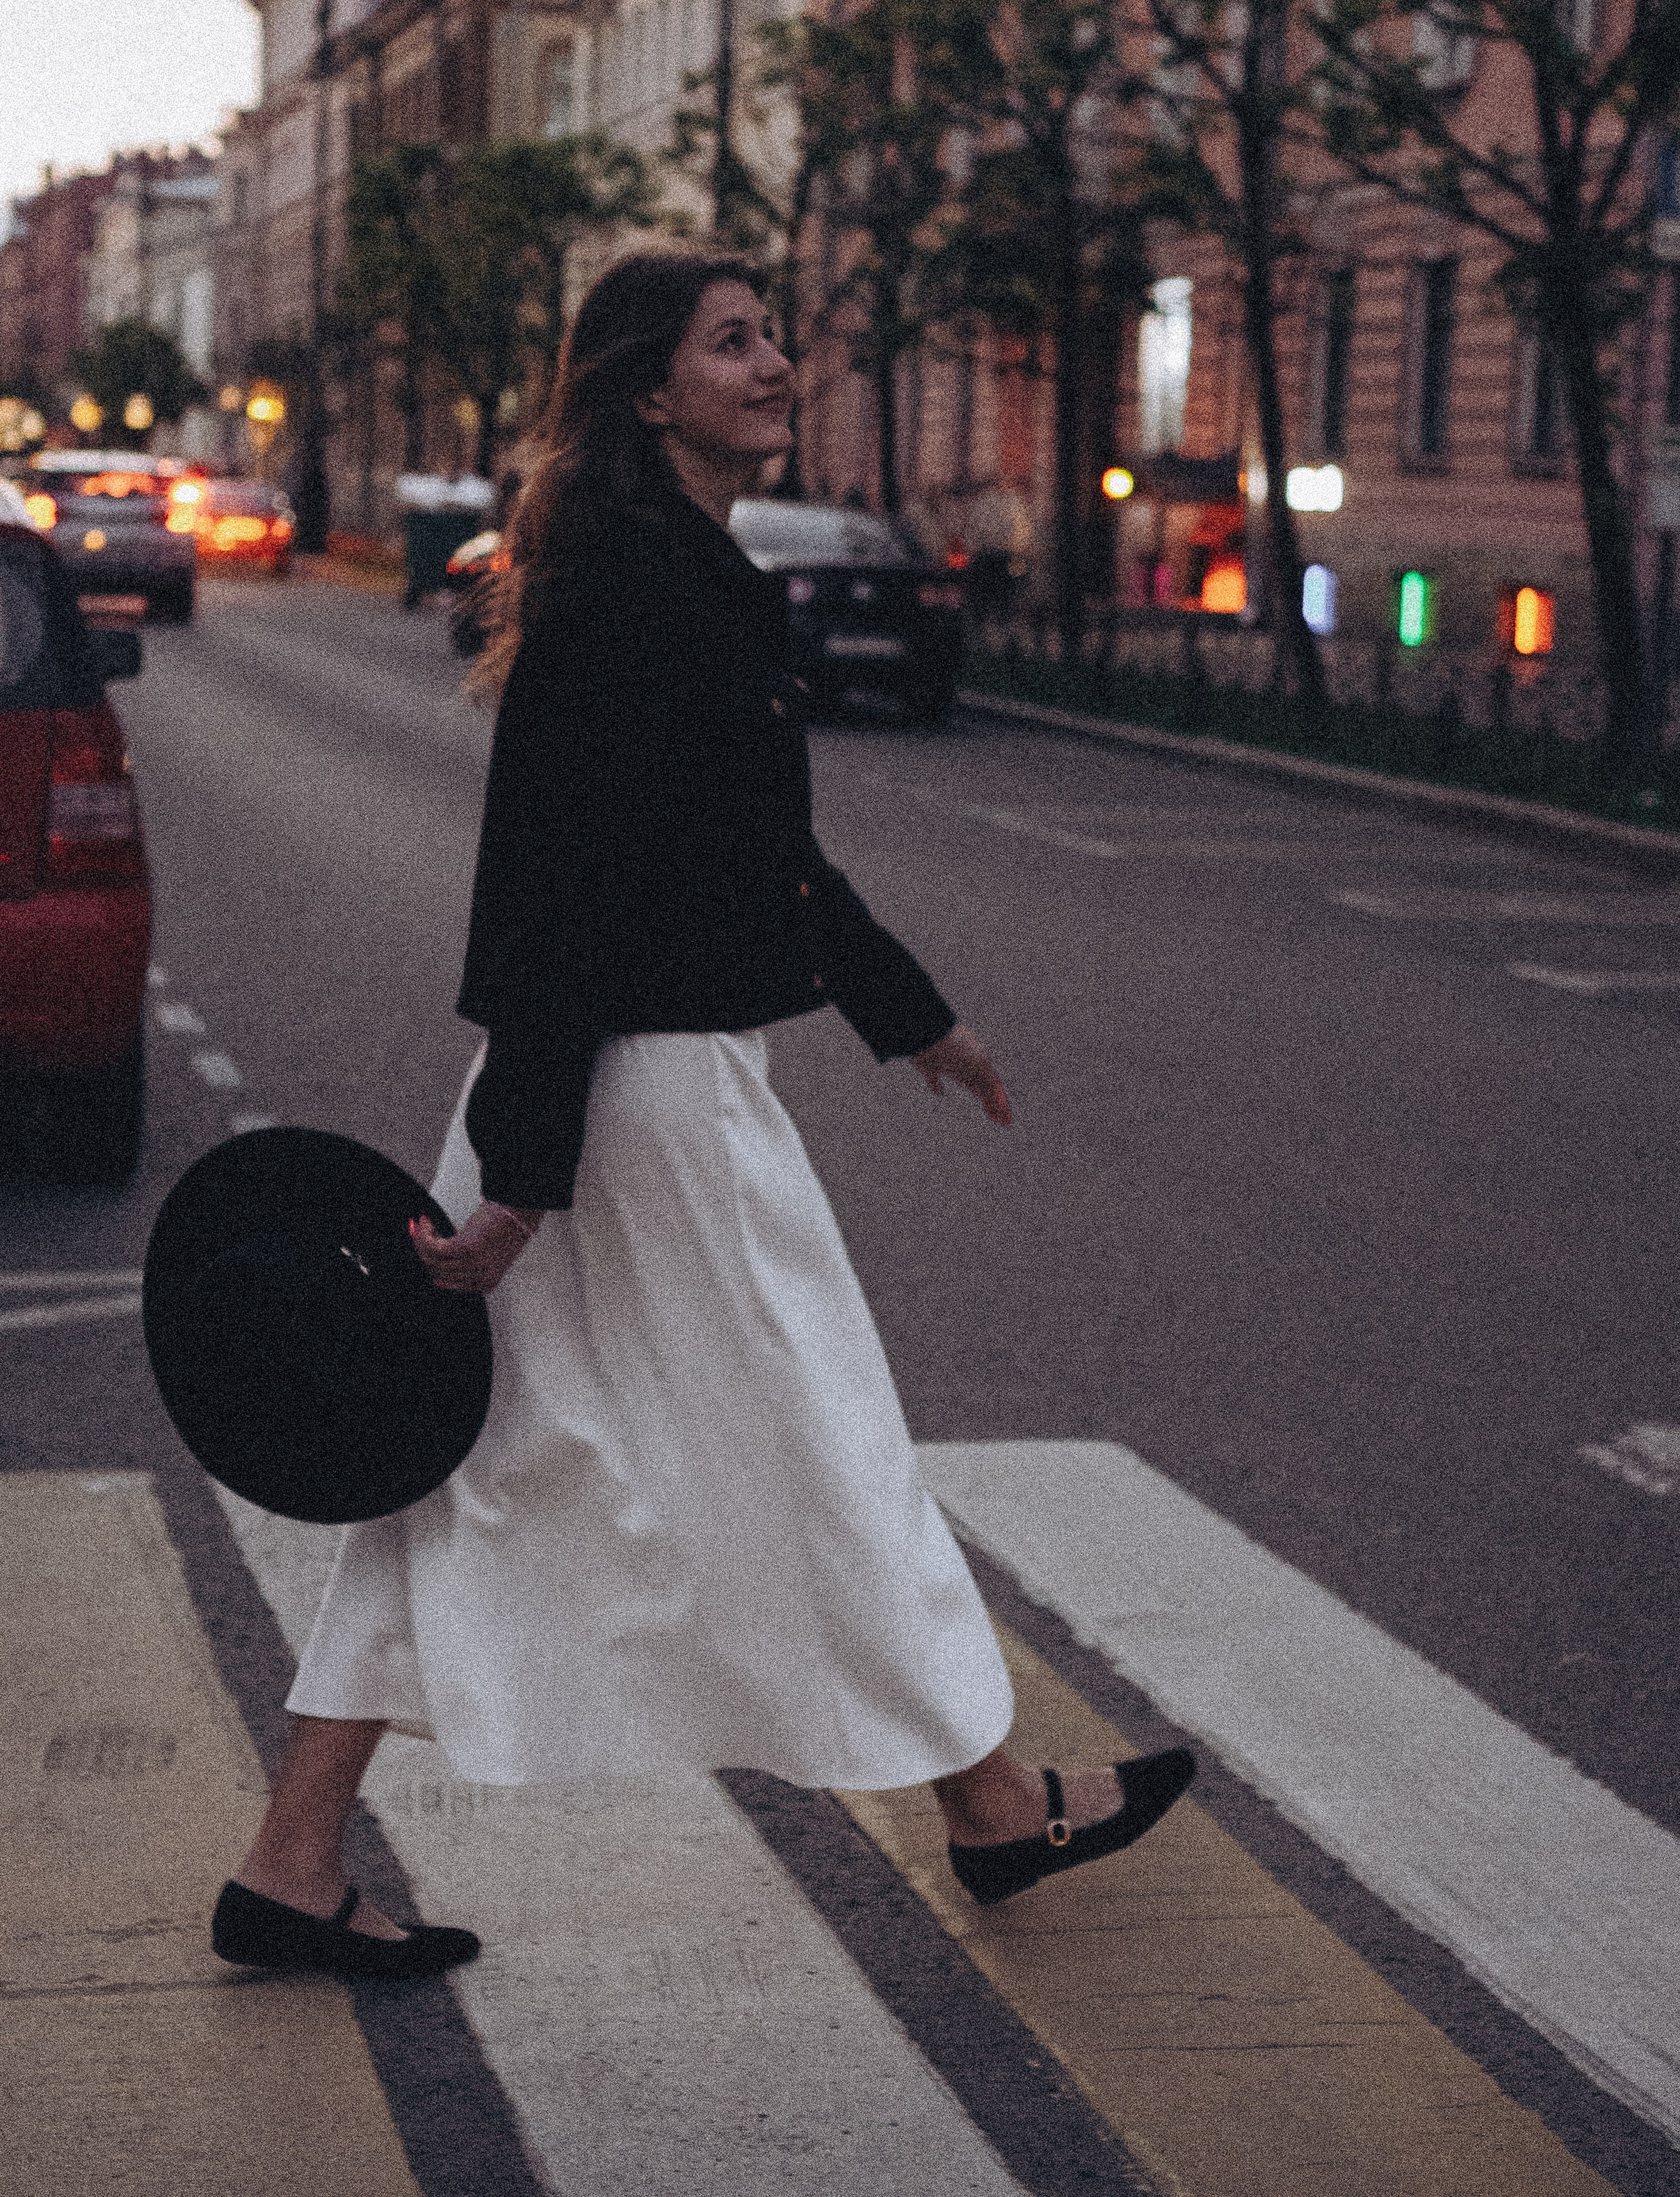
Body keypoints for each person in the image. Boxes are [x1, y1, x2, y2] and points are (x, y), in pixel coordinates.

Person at [211, 251, 1193, 1983]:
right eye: (732, 343)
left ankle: (291, 1865)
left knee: (464, 1476)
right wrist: (525, 1178)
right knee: (823, 1439)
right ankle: (986, 1806)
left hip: (612, 1081)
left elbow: (766, 859)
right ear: (645, 392)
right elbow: (551, 891)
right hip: (635, 1092)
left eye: (775, 337)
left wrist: (919, 1022)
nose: (778, 364)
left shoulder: (675, 574)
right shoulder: (633, 589)